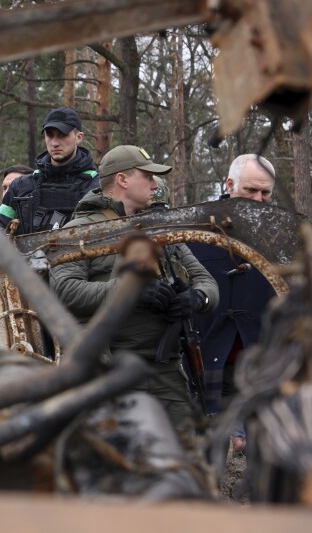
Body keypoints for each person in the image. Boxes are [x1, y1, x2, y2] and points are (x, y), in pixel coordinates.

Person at [50, 145, 218, 437]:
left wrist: (195, 298)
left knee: (185, 459)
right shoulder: (78, 232)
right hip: (106, 372)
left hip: (164, 370)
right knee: (114, 466)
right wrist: (130, 292)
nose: (155, 185)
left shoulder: (157, 227)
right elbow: (64, 290)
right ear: (123, 180)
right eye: (148, 177)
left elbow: (207, 282)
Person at [188, 154, 276, 452]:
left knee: (264, 452)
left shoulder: (278, 234)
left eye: (265, 193)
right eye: (251, 190)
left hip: (260, 359)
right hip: (210, 354)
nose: (259, 199)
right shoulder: (197, 228)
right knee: (210, 450)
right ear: (229, 184)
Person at [0, 107, 99, 234]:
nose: (55, 143)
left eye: (62, 135)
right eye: (50, 135)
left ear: (79, 137)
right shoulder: (21, 186)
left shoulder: (96, 187)